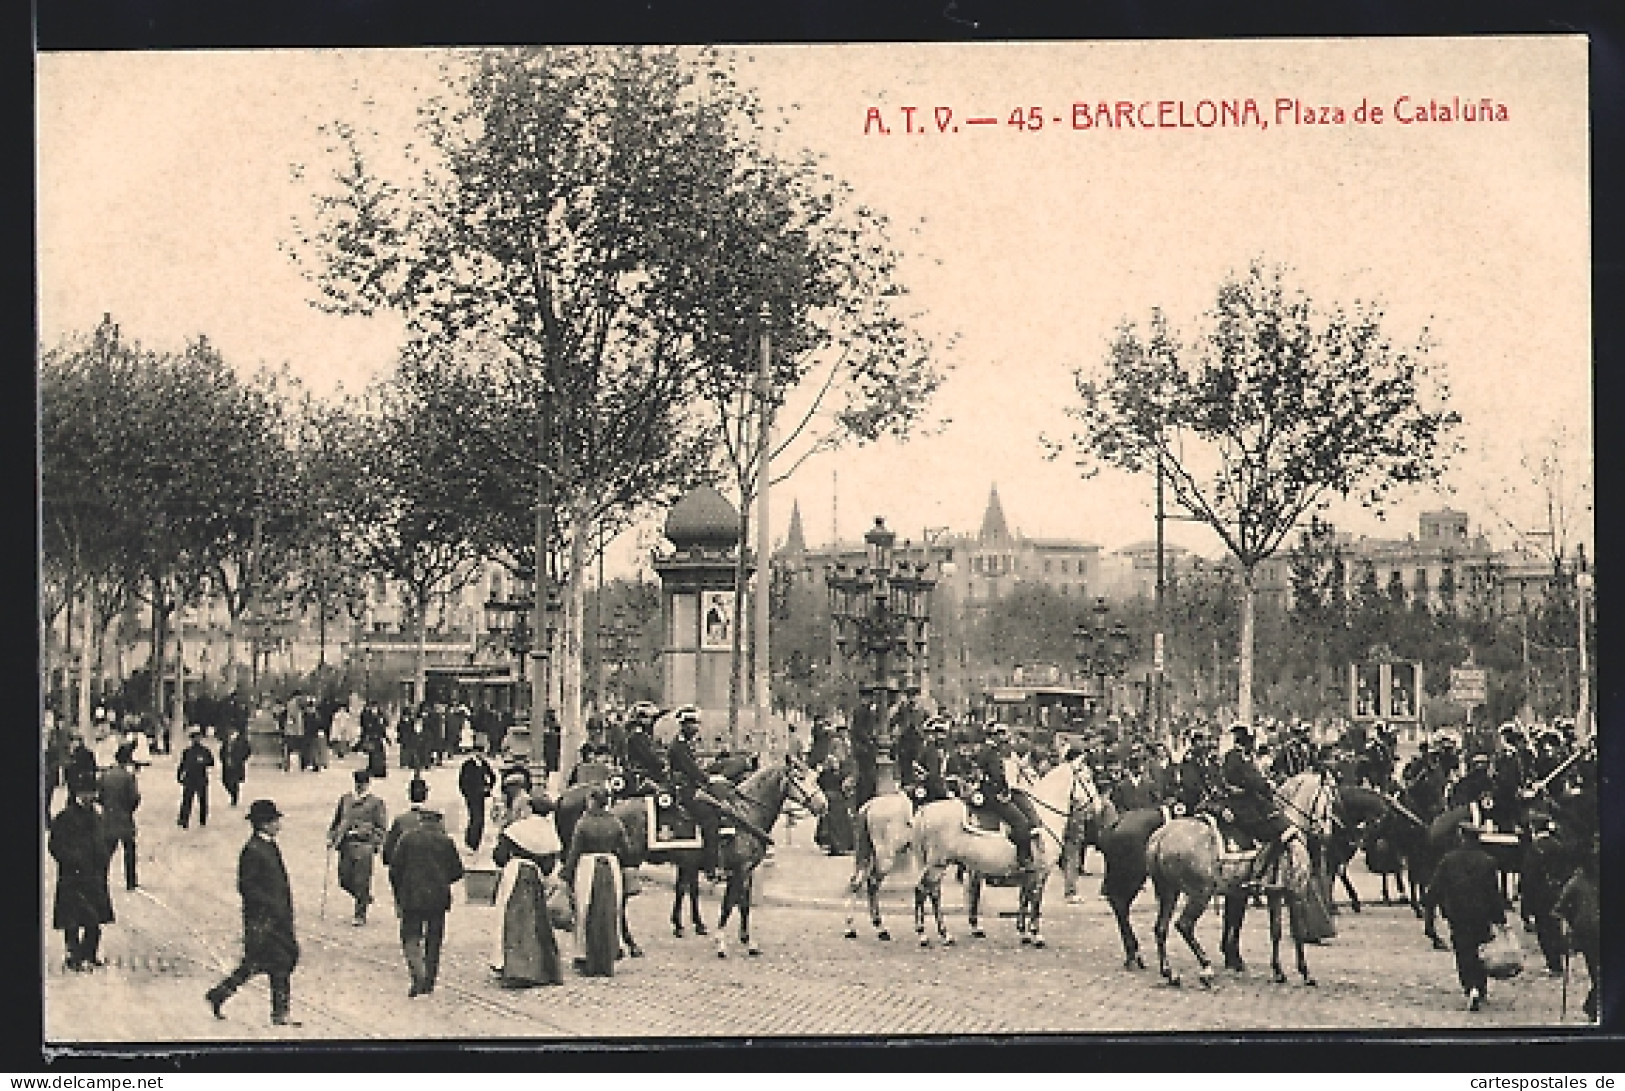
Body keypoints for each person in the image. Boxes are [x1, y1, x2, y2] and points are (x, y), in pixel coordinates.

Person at [207, 800, 301, 1025]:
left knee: (260, 963)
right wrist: (270, 907)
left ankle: (219, 994)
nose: (279, 824)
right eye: (275, 821)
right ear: (264, 824)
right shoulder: (253, 850)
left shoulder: (267, 846)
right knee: (277, 962)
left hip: (274, 918)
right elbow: (247, 887)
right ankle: (280, 1013)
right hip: (264, 920)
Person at [386, 783, 464, 997]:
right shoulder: (446, 841)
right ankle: (429, 980)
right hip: (438, 898)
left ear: (421, 819)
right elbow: (457, 872)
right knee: (434, 940)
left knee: (410, 936)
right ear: (438, 820)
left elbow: (394, 868)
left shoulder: (408, 838)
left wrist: (399, 891)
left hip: (411, 897)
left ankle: (417, 974)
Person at [1430, 821, 1507, 1012]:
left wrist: (1432, 907)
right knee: (1480, 949)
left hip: (1458, 915)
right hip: (1481, 915)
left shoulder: (1448, 860)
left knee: (1463, 951)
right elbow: (1493, 893)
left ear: (1461, 837)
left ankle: (1469, 986)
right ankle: (1480, 987)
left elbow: (1435, 888)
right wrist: (1500, 918)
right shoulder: (1488, 861)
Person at [489, 796, 566, 987]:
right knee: (535, 922)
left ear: (530, 808)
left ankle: (509, 965)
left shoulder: (517, 829)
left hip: (514, 872)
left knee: (509, 917)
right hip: (535, 876)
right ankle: (538, 966)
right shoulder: (550, 833)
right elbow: (549, 866)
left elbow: (499, 856)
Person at [562, 785, 631, 976]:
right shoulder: (615, 822)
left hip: (587, 865)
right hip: (610, 864)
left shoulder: (583, 823)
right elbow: (626, 848)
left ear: (592, 801)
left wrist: (567, 873)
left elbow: (575, 851)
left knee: (584, 910)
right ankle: (610, 951)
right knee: (611, 909)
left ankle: (583, 955)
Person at [51, 769, 114, 971]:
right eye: (84, 794)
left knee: (94, 920)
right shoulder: (64, 818)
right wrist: (70, 860)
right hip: (72, 875)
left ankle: (90, 954)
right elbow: (55, 845)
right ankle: (73, 956)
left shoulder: (96, 817)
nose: (88, 797)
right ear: (76, 795)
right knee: (72, 920)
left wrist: (103, 858)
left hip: (93, 875)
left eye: (91, 793)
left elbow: (103, 841)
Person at [1221, 724, 1296, 891]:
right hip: (1242, 806)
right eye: (1251, 741)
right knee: (1279, 832)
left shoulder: (1242, 757)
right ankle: (1259, 872)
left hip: (1252, 803)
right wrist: (1267, 784)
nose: (1252, 745)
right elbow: (1251, 781)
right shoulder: (1235, 757)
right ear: (1246, 741)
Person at [667, 707, 725, 880]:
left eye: (696, 724)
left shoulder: (684, 744)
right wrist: (708, 780)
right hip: (684, 791)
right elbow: (691, 770)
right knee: (710, 818)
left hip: (689, 787)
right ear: (683, 725)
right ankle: (710, 866)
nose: (696, 728)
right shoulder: (679, 746)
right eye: (692, 724)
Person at [973, 724, 1040, 873]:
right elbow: (995, 776)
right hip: (993, 795)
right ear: (994, 735)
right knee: (1021, 822)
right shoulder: (989, 752)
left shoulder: (992, 751)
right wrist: (1004, 792)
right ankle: (1024, 859)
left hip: (995, 792)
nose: (1005, 738)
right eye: (1001, 734)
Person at [328, 770, 388, 926]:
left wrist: (374, 842)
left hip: (364, 846)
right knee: (344, 879)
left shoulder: (376, 803)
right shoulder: (346, 799)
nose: (360, 787)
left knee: (362, 880)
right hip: (346, 844)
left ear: (368, 784)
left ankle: (360, 914)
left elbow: (381, 827)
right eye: (358, 784)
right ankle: (365, 897)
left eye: (363, 784)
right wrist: (332, 836)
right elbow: (337, 820)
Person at [1555, 857, 1600, 1022]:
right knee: (1598, 972)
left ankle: (1592, 1006)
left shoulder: (1577, 881)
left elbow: (1559, 908)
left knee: (1599, 972)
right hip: (1589, 933)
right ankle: (1593, 1007)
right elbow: (1560, 908)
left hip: (1591, 931)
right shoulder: (1577, 882)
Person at [99, 743, 142, 891]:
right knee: (129, 849)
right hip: (124, 819)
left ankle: (101, 878)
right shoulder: (129, 777)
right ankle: (130, 881)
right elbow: (135, 798)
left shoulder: (106, 775)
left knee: (106, 851)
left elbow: (99, 796)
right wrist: (128, 810)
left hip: (108, 818)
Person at [459, 744, 499, 853]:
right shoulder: (468, 765)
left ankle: (474, 842)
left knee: (480, 819)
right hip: (471, 795)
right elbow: (462, 781)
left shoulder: (483, 763)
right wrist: (466, 793)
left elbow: (493, 776)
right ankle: (471, 842)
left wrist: (488, 787)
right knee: (475, 818)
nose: (481, 755)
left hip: (481, 795)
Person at [815, 753, 855, 855]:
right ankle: (838, 846)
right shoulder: (835, 775)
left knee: (832, 824)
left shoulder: (824, 774)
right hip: (836, 800)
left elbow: (819, 784)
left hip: (830, 799)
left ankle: (834, 845)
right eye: (835, 763)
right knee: (837, 824)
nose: (837, 764)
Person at [176, 729, 215, 828]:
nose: (196, 740)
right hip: (189, 778)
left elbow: (211, 762)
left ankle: (203, 820)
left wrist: (203, 761)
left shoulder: (205, 751)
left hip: (201, 778)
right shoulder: (188, 751)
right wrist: (179, 775)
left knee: (203, 800)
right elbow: (182, 764)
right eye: (194, 738)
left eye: (198, 738)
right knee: (186, 800)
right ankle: (183, 820)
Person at [623, 705, 667, 789]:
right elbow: (648, 757)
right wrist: (662, 764)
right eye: (651, 718)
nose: (653, 722)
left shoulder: (643, 735)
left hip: (646, 773)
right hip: (643, 775)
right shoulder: (638, 736)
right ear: (641, 719)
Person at [220, 725, 252, 807]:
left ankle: (234, 797)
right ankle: (233, 793)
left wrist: (241, 759)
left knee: (235, 781)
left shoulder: (242, 741)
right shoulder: (226, 741)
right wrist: (223, 758)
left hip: (237, 764)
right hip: (227, 764)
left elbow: (247, 751)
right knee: (225, 781)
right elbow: (223, 750)